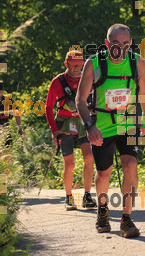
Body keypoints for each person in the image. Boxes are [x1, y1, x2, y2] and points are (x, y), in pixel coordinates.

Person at [76, 24, 145, 238]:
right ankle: (102, 211)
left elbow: (144, 91)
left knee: (130, 164)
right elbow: (80, 100)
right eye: (117, 44)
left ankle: (127, 219)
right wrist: (89, 126)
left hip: (128, 123)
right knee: (103, 172)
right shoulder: (94, 63)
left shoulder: (137, 62)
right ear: (107, 43)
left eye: (126, 44)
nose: (122, 48)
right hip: (102, 126)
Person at [45, 49, 97, 210]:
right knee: (70, 164)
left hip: (83, 122)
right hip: (64, 124)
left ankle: (87, 195)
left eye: (80, 66)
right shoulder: (57, 82)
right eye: (73, 65)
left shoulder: (88, 78)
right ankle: (68, 197)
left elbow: (96, 101)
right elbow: (48, 108)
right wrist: (54, 130)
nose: (76, 69)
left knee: (89, 158)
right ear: (66, 64)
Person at [0, 80, 24, 146]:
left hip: (5, 128)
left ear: (2, 91)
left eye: (1, 91)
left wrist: (19, 127)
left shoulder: (8, 100)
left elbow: (16, 113)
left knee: (8, 148)